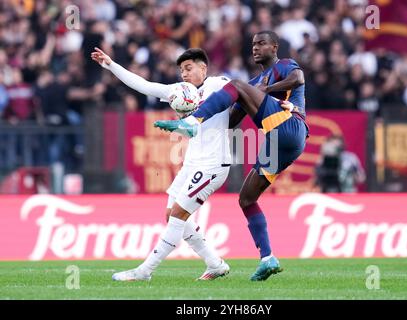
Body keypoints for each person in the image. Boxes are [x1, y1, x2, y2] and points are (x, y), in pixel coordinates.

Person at [155, 31, 309, 281]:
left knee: (237, 85)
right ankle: (267, 258)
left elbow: (298, 78)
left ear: (274, 47)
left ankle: (195, 120)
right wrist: (207, 127)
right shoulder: (255, 81)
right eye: (253, 44)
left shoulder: (282, 66)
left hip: (291, 125)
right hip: (278, 143)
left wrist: (265, 90)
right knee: (247, 199)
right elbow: (232, 119)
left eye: (261, 43)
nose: (256, 48)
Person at [91, 47, 231, 281]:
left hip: (213, 164)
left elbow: (246, 91)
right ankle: (214, 264)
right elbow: (143, 85)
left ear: (203, 68)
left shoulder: (219, 84)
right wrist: (110, 64)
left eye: (189, 68)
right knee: (171, 215)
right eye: (181, 70)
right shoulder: (179, 92)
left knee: (177, 215)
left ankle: (144, 271)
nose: (184, 74)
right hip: (191, 163)